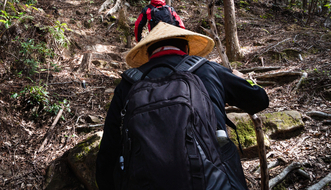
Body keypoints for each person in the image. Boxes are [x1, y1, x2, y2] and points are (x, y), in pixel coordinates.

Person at [96, 22, 269, 190]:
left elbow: (109, 150)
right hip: (213, 181)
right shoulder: (207, 69)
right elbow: (260, 99)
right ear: (186, 48)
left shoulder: (127, 84)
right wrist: (242, 78)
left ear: (148, 53)